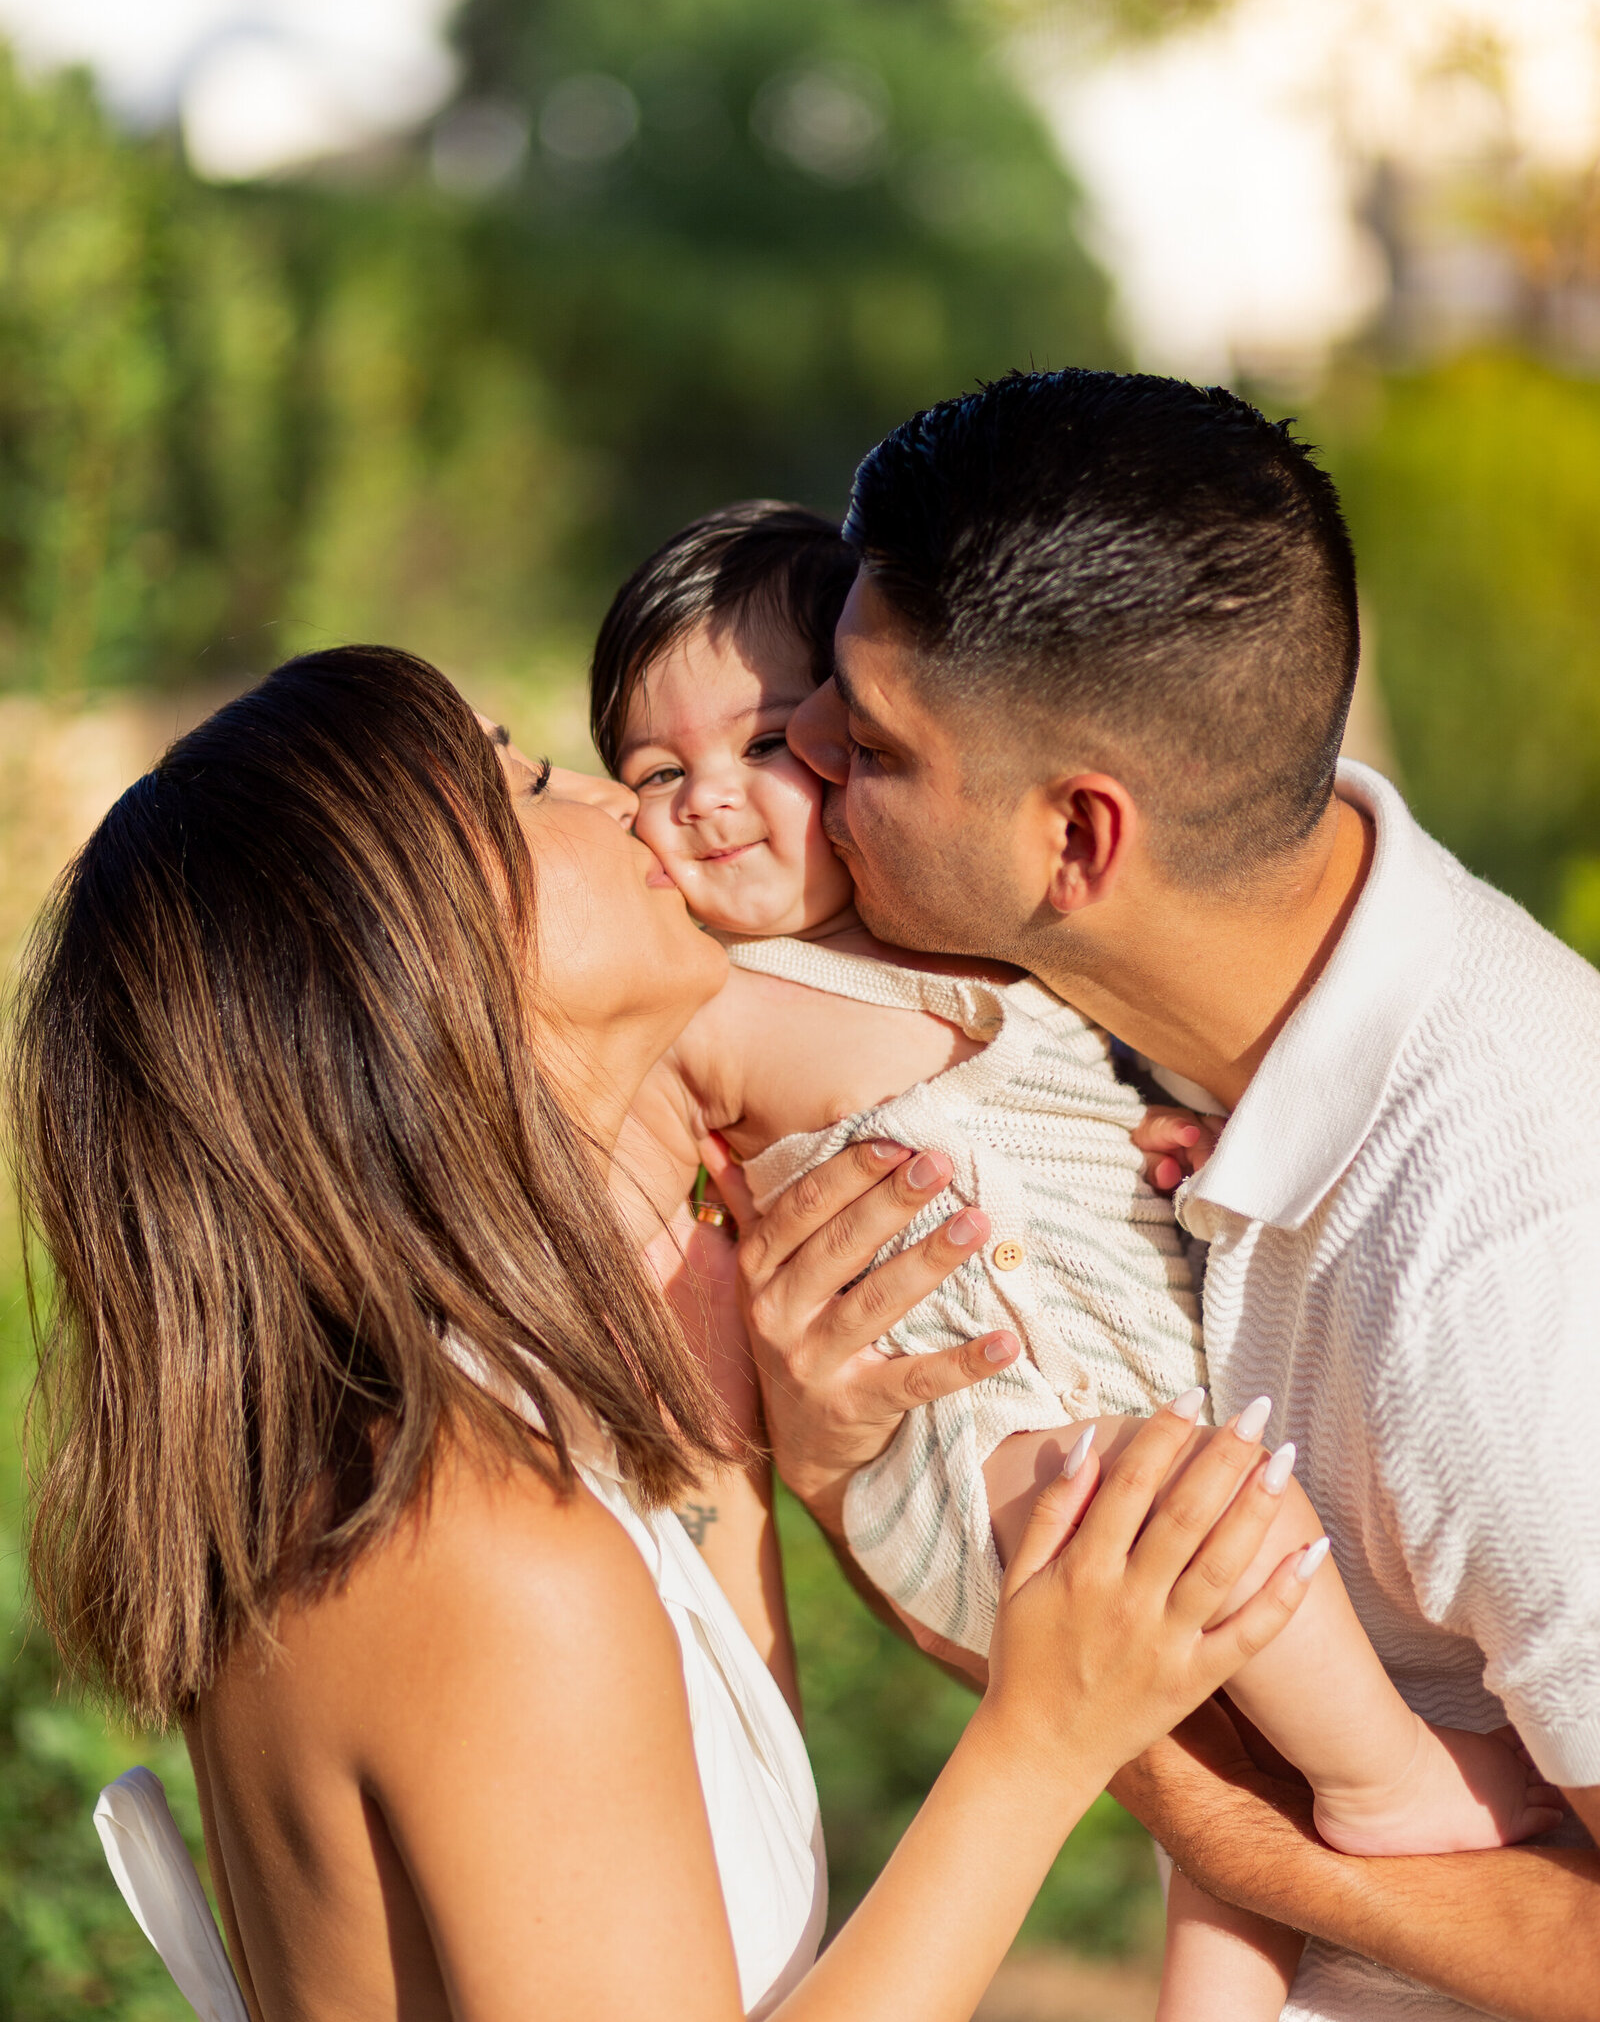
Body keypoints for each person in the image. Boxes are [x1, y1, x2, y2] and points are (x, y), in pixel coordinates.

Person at [10, 642, 1315, 2022]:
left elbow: (734, 1919)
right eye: (521, 784)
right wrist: (1039, 1742)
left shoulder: (434, 1464)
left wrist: (760, 1462)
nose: (613, 798)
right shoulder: (478, 1547)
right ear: (422, 961)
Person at [590, 502, 1560, 2020]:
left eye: (791, 741)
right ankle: (1389, 1779)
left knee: (1217, 1746)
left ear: (1075, 836)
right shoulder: (711, 994)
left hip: (1095, 1385)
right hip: (988, 1440)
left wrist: (1181, 1133)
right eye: (654, 776)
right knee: (1185, 1522)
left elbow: (1099, 1095)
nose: (717, 800)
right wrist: (810, 1438)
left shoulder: (1008, 956)